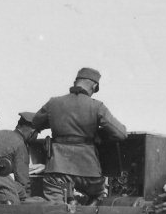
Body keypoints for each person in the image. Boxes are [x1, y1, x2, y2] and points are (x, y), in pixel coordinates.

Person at [32, 67, 128, 204]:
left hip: (58, 169)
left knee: (55, 207)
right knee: (100, 194)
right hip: (89, 173)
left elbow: (36, 123)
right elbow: (121, 134)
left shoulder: (53, 102)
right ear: (94, 86)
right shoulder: (97, 106)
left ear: (75, 82)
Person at [0, 112, 37, 201]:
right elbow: (23, 182)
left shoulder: (0, 133)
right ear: (32, 132)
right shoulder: (20, 145)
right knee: (21, 193)